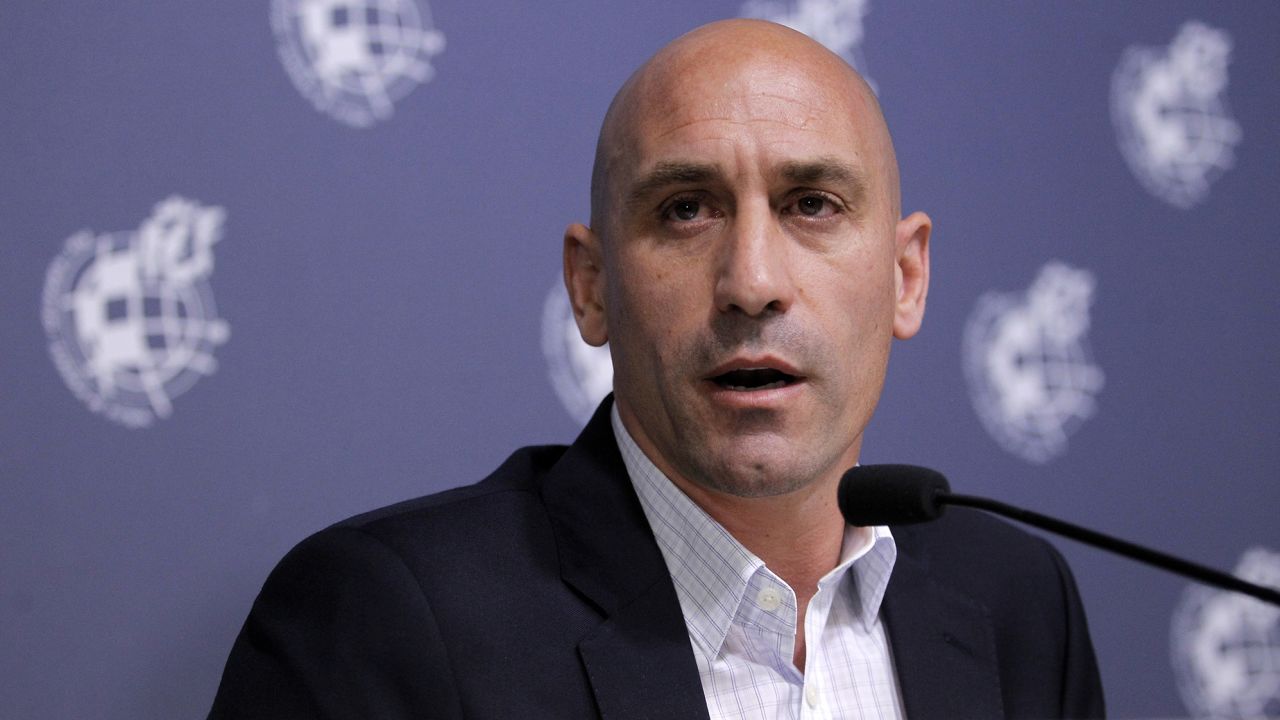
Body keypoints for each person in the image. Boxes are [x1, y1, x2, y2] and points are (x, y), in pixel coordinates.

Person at [209, 19, 1104, 719]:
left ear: (906, 278)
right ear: (592, 289)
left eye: (812, 205)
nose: (752, 281)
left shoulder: (1017, 603)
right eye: (686, 210)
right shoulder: (388, 622)